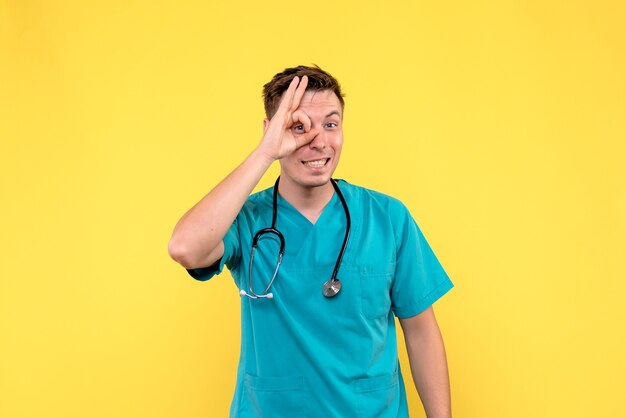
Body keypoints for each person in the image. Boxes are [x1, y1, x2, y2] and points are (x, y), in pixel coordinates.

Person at [168, 65, 454, 418]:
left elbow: (422, 332)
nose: (318, 141)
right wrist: (264, 154)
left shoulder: (388, 217)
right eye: (298, 126)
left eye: (331, 124)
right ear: (271, 131)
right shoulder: (246, 221)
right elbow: (184, 248)